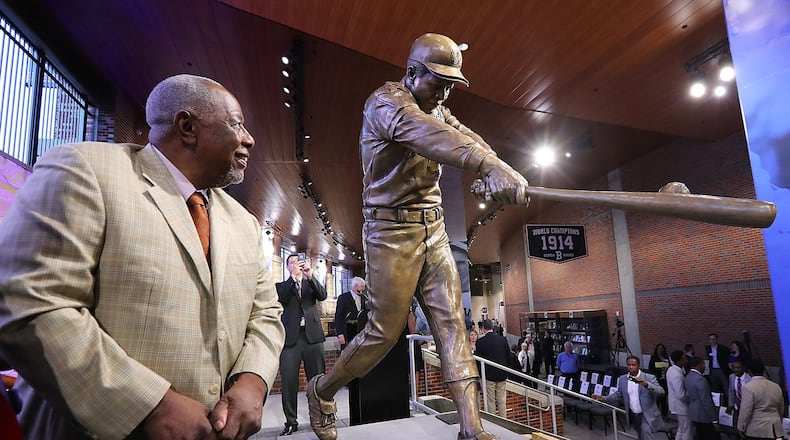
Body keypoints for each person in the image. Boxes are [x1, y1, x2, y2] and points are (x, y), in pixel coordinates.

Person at [0, 74, 286, 439]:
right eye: (237, 124)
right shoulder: (86, 171)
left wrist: (253, 380)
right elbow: (30, 303)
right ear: (187, 126)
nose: (249, 138)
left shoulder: (243, 221)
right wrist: (152, 406)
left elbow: (265, 313)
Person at [304, 33, 529, 440]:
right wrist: (486, 166)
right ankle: (321, 389)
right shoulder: (387, 104)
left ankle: (471, 427)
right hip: (390, 231)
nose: (444, 92)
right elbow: (426, 134)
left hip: (435, 229)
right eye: (438, 81)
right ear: (411, 73)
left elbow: (467, 138)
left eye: (450, 84)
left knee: (452, 323)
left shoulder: (437, 107)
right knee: (383, 333)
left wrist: (495, 169)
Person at [277, 254, 328, 436]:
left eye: (298, 262)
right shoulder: (282, 286)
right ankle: (291, 421)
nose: (296, 265)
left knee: (318, 381)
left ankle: (322, 419)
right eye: (291, 262)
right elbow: (281, 298)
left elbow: (322, 295)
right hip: (291, 339)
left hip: (312, 338)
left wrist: (309, 275)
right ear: (287, 267)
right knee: (289, 382)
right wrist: (293, 278)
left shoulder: (310, 282)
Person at [593, 355, 665, 440]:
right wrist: (603, 398)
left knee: (646, 434)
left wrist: (646, 384)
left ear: (638, 365)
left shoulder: (649, 377)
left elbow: (661, 392)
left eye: (633, 365)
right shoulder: (622, 379)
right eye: (629, 365)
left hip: (647, 414)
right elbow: (618, 394)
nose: (631, 367)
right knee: (640, 435)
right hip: (633, 414)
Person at [737, 359, 784, 440]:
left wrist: (741, 427)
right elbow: (781, 407)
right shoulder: (776, 386)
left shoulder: (748, 387)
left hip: (757, 429)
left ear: (749, 371)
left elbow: (746, 410)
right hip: (775, 428)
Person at [474, 319, 511, 417]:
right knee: (502, 401)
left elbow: (478, 361)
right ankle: (504, 421)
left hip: (488, 375)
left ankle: (494, 422)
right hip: (502, 374)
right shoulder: (502, 339)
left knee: (490, 401)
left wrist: (480, 375)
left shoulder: (480, 342)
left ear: (483, 328)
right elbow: (508, 356)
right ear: (492, 327)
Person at [685, 356, 721, 440]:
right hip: (704, 415)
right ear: (698, 365)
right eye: (703, 364)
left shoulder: (688, 376)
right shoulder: (700, 379)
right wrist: (714, 420)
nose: (705, 366)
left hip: (693, 413)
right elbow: (706, 401)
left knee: (700, 435)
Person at [334, 277, 366, 350]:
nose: (363, 289)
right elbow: (338, 317)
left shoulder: (363, 298)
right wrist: (340, 334)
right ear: (355, 286)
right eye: (362, 286)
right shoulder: (343, 298)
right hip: (347, 332)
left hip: (360, 333)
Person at [666, 350, 692, 440]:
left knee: (681, 429)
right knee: (687, 431)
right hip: (681, 407)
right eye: (684, 358)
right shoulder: (677, 375)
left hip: (676, 405)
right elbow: (681, 394)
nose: (686, 360)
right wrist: (691, 398)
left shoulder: (671, 369)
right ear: (679, 361)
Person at [725, 359, 751, 431]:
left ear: (743, 368)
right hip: (737, 406)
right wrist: (730, 404)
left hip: (747, 408)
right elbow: (731, 391)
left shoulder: (749, 379)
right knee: (737, 426)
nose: (735, 370)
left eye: (738, 368)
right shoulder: (731, 377)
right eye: (734, 367)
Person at [705, 333, 731, 401]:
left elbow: (727, 358)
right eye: (710, 339)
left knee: (726, 385)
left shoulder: (723, 348)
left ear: (716, 340)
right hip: (713, 369)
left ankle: (729, 402)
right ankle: (717, 402)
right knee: (714, 386)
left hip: (721, 369)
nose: (712, 341)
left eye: (713, 339)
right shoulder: (708, 348)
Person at [648, 343, 670, 415]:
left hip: (665, 379)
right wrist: (659, 368)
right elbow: (650, 368)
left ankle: (664, 413)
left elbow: (670, 366)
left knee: (664, 397)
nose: (660, 350)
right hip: (657, 379)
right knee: (657, 397)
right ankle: (656, 413)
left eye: (662, 348)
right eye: (659, 348)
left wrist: (667, 369)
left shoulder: (666, 357)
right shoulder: (654, 357)